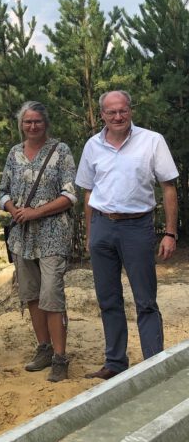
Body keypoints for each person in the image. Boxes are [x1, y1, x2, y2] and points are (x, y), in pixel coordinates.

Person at [76, 90, 178, 380]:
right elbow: (88, 192)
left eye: (123, 111)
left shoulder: (152, 141)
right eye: (111, 112)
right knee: (108, 299)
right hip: (102, 227)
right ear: (103, 115)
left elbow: (169, 188)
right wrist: (89, 233)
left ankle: (154, 365)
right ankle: (115, 363)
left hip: (137, 227)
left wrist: (170, 233)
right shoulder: (92, 146)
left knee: (145, 300)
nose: (118, 116)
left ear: (130, 110)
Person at [0, 101, 77, 383]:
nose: (32, 126)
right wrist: (12, 209)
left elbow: (70, 195)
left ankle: (60, 357)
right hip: (22, 238)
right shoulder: (14, 153)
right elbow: (3, 191)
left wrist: (36, 212)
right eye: (27, 122)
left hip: (53, 235)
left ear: (46, 123)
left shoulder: (61, 151)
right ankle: (43, 348)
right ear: (21, 124)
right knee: (31, 295)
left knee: (52, 296)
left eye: (37, 122)